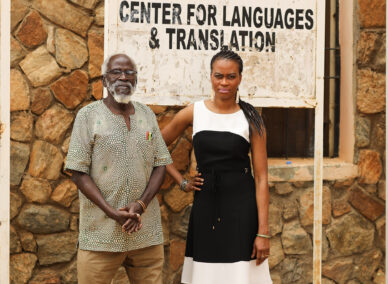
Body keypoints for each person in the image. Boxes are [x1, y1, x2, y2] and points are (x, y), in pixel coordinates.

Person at [161, 50, 273, 283]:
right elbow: (154, 144)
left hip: (242, 210)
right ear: (210, 77)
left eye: (230, 76)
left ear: (240, 78)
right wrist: (181, 181)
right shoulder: (194, 112)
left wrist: (263, 232)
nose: (224, 82)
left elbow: (261, 178)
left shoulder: (251, 118)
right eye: (218, 76)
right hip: (206, 207)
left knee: (241, 273)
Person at [65, 54, 172, 284]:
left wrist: (141, 204)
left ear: (136, 79)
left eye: (129, 72)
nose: (123, 77)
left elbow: (160, 164)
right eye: (116, 72)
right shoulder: (88, 116)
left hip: (145, 235)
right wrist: (112, 212)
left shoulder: (147, 115)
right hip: (100, 236)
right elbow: (78, 172)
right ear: (104, 80)